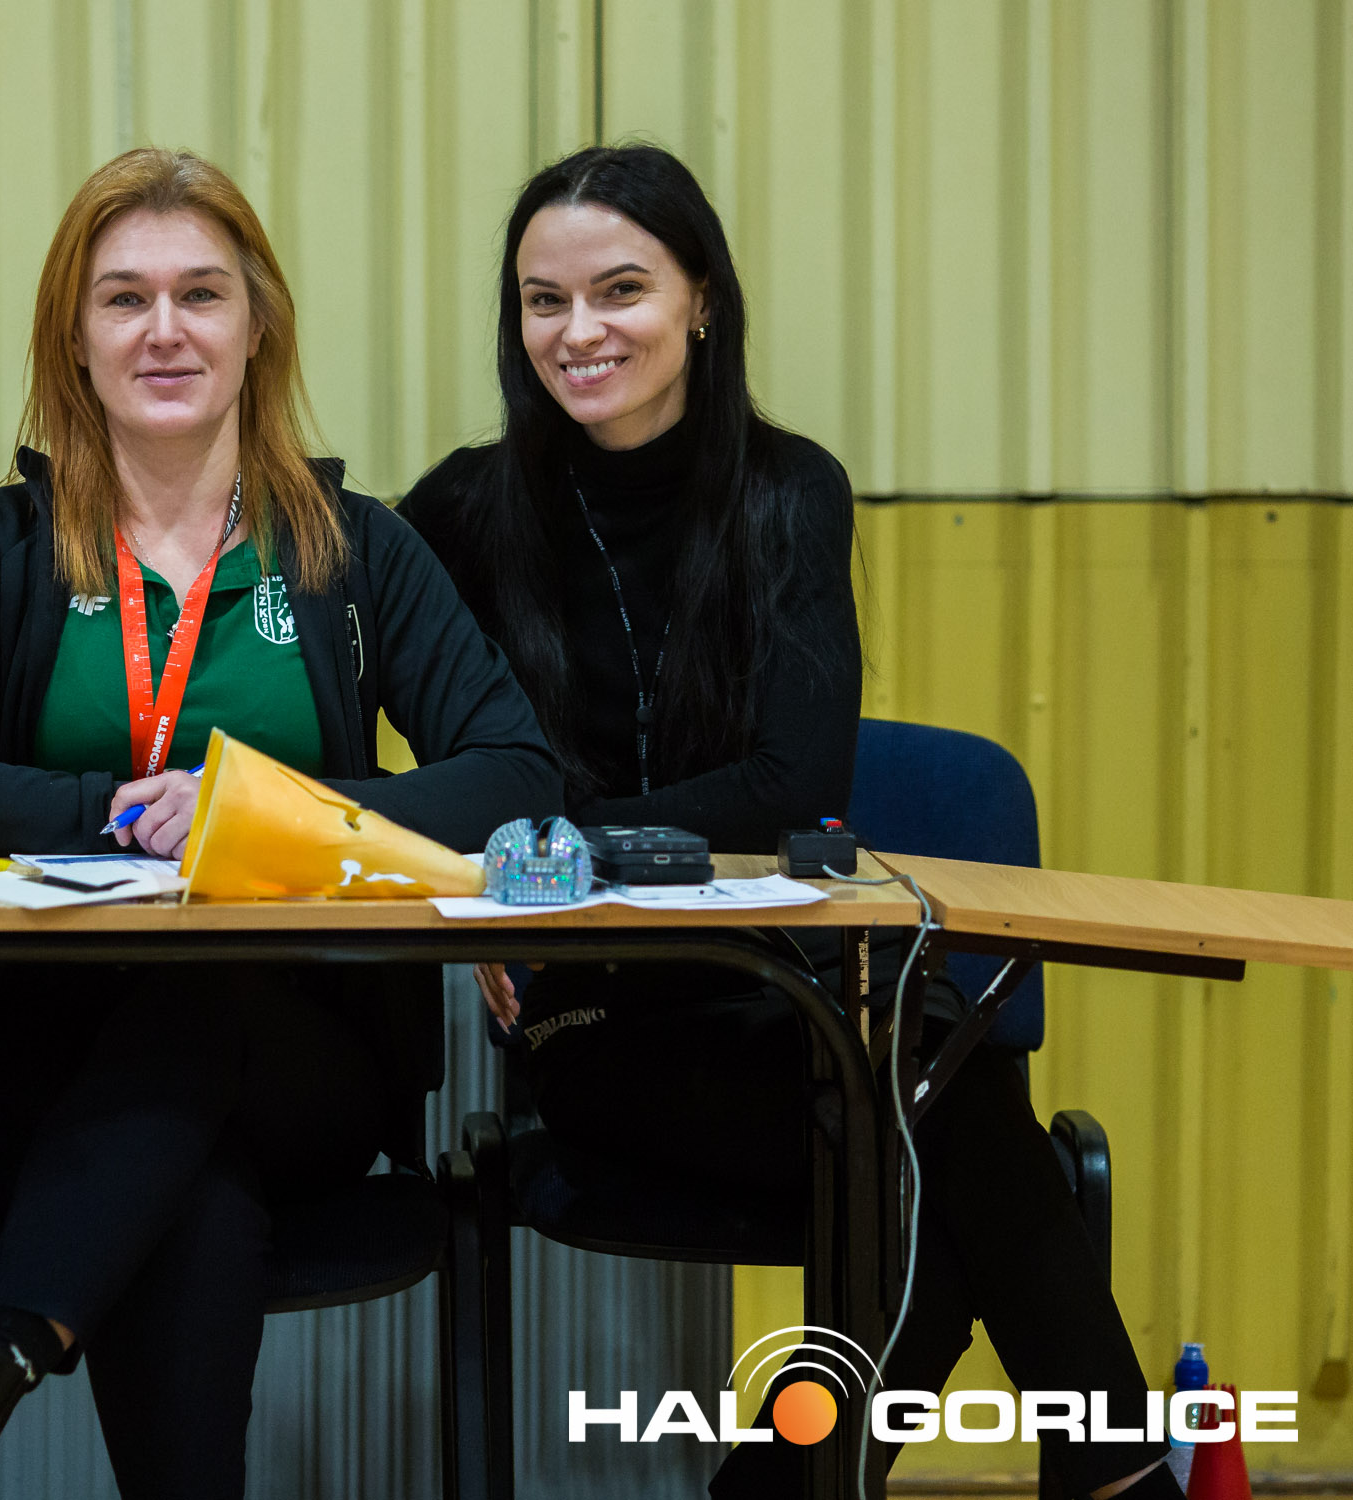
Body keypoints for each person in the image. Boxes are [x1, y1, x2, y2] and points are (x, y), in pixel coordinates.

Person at [397, 144, 1177, 1500]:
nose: (577, 332)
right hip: (597, 1014)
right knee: (947, 1149)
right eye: (542, 301)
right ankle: (1113, 1472)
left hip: (792, 991)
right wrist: (462, 870)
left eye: (620, 289)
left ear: (701, 298)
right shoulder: (461, 512)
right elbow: (407, 756)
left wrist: (552, 845)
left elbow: (790, 787)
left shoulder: (787, 491)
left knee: (929, 1112)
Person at [0, 148, 559, 1500]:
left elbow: (513, 772)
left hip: (300, 1054)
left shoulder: (348, 545)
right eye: (123, 299)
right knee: (196, 1191)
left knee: (205, 997)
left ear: (256, 324)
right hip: (26, 1056)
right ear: (74, 337)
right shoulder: (0, 548)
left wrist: (254, 813)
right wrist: (121, 815)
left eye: (200, 294)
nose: (163, 330)